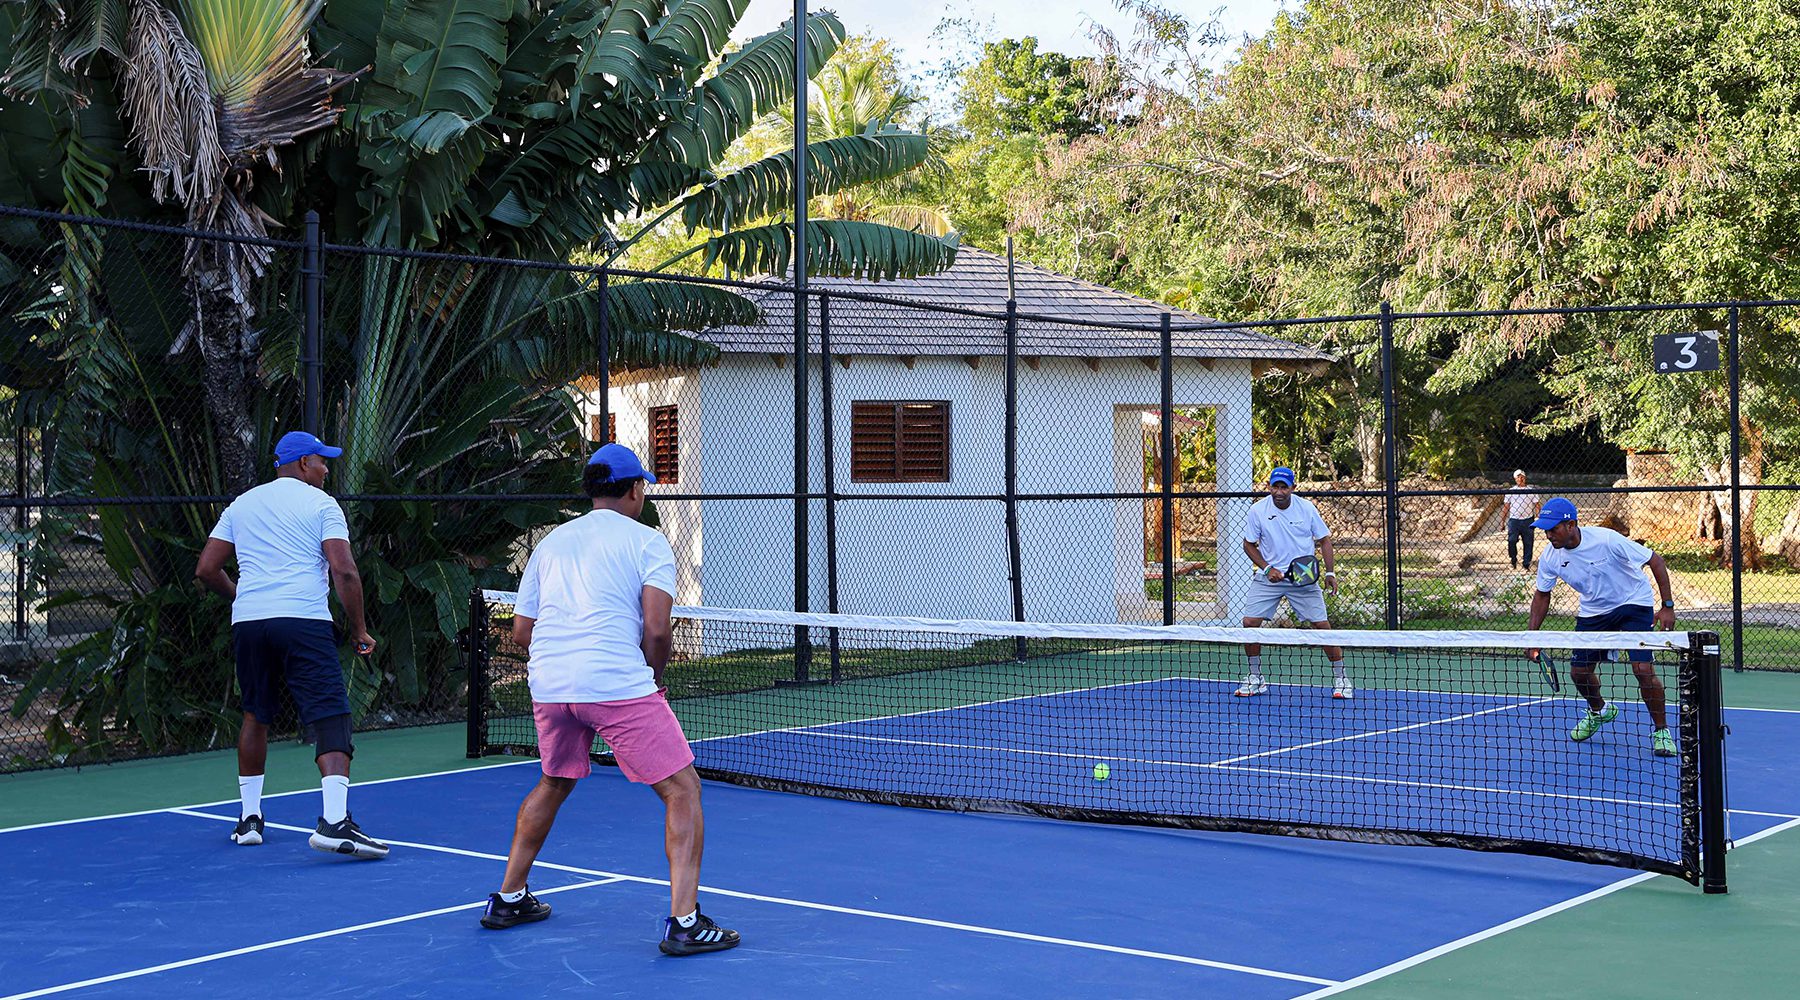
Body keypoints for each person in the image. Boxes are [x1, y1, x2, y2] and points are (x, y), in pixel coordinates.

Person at [481, 443, 738, 957]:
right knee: (683, 790)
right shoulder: (648, 542)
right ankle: (685, 923)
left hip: (551, 685)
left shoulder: (550, 544)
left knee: (553, 782)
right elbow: (659, 630)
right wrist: (653, 678)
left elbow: (521, 633)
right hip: (616, 682)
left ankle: (509, 898)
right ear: (635, 489)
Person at [195, 431, 387, 858]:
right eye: (322, 461)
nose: (327, 469)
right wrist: (358, 629)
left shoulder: (241, 505)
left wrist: (244, 597)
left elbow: (207, 569)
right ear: (303, 464)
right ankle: (335, 822)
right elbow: (345, 571)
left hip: (249, 624)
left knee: (255, 714)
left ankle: (249, 820)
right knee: (331, 713)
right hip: (303, 620)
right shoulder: (321, 504)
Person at [1523, 497, 1678, 757]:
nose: (1548, 535)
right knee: (1578, 672)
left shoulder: (1606, 539)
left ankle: (1661, 731)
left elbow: (1656, 560)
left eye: (1553, 529)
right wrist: (1531, 636)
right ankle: (1600, 711)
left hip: (1633, 603)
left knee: (1642, 669)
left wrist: (1667, 606)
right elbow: (1542, 595)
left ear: (1571, 524)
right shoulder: (1550, 557)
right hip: (1594, 612)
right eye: (1545, 530)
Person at [1235, 467, 1350, 699]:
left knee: (1322, 628)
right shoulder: (1257, 511)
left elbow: (1324, 541)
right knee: (1249, 623)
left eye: (1284, 487)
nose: (1279, 491)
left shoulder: (1306, 508)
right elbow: (1248, 545)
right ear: (1269, 487)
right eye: (1275, 486)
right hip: (1269, 578)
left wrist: (1330, 573)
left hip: (1303, 577)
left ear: (1292, 488)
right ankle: (1255, 677)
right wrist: (1267, 569)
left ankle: (1342, 678)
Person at [1503, 469, 1541, 570]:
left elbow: (1537, 505)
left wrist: (1538, 516)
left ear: (1525, 478)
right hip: (1514, 520)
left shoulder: (1531, 491)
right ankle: (1513, 560)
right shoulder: (1511, 491)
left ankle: (1526, 563)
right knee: (1511, 540)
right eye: (1518, 477)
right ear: (1515, 479)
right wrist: (1502, 521)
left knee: (1528, 542)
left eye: (1522, 476)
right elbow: (1506, 507)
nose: (1520, 478)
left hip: (1527, 519)